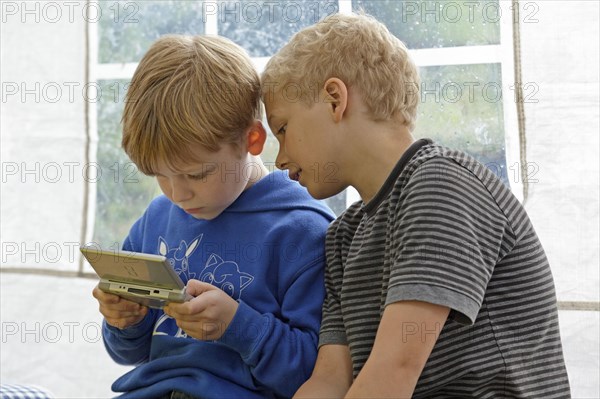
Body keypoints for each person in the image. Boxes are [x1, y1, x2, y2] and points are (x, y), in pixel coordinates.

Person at [261, 12, 571, 398]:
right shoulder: (343, 236)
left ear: (334, 99)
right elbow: (330, 381)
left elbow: (394, 372)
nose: (281, 158)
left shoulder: (441, 184)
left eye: (284, 129)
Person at [92, 34, 335, 399]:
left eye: (196, 175)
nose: (178, 194)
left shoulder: (303, 231)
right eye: (160, 175)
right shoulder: (156, 218)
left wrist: (238, 326)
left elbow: (319, 377)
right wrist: (125, 321)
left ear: (252, 140)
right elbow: (131, 354)